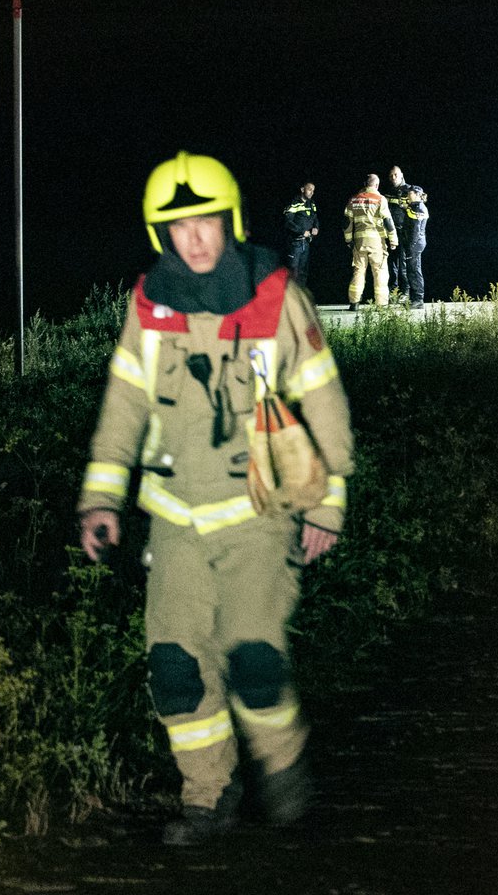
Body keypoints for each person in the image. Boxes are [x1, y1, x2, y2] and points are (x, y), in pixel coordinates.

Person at [76, 151, 353, 846]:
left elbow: (323, 396)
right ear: (160, 233)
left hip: (260, 513)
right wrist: (101, 498)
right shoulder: (150, 304)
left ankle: (282, 766)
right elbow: (124, 402)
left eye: (205, 222)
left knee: (252, 658)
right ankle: (207, 795)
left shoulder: (275, 295)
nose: (193, 238)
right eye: (178, 226)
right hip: (174, 518)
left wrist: (328, 501)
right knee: (174, 666)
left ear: (230, 221)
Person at [343, 172, 397, 308]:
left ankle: (354, 302)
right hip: (376, 242)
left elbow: (346, 222)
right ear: (377, 185)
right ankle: (381, 304)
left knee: (359, 270)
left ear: (365, 184)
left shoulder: (353, 199)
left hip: (359, 242)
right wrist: (393, 240)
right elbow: (388, 221)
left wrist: (348, 240)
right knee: (380, 271)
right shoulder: (380, 199)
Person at [384, 165, 430, 309]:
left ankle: (408, 293)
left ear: (401, 175)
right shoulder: (389, 193)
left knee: (408, 267)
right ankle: (395, 291)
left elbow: (416, 228)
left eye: (396, 175)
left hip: (408, 237)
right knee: (393, 263)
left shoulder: (413, 196)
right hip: (394, 233)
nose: (393, 178)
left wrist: (411, 244)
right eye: (391, 175)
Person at [282, 182, 319, 286]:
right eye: (309, 189)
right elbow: (288, 222)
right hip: (295, 243)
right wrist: (302, 231)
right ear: (302, 189)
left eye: (313, 190)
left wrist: (316, 227)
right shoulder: (294, 203)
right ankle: (290, 294)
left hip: (306, 243)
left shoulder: (311, 203)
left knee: (303, 272)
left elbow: (315, 218)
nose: (312, 192)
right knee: (292, 271)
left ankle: (301, 293)